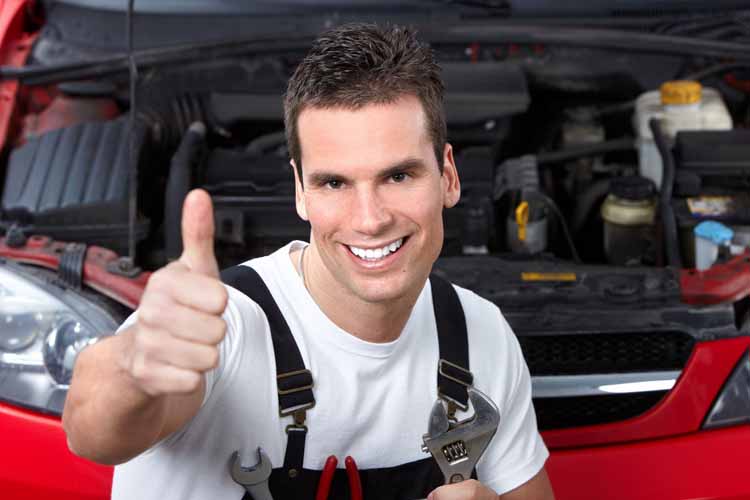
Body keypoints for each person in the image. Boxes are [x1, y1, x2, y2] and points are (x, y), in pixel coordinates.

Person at [63, 22, 555, 500]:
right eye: (334, 183)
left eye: (398, 176)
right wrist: (134, 365)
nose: (370, 219)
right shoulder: (223, 327)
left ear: (447, 176)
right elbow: (93, 434)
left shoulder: (479, 334)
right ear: (300, 190)